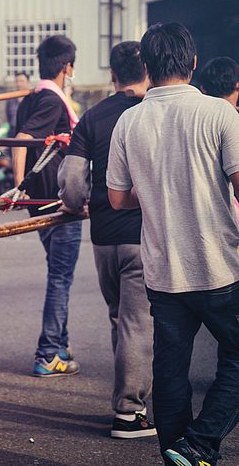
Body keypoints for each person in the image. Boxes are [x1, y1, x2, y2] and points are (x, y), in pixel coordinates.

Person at [107, 23, 239, 466]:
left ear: (146, 66)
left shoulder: (130, 120)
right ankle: (199, 445)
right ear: (193, 61)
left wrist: (158, 184)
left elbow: (117, 198)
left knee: (170, 370)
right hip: (219, 264)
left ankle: (178, 455)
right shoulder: (219, 113)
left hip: (163, 270)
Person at [58, 41, 156, 439]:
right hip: (140, 234)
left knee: (121, 319)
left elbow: (72, 179)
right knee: (138, 324)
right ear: (147, 70)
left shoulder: (94, 117)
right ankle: (129, 413)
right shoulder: (151, 113)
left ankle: (130, 399)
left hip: (103, 239)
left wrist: (78, 203)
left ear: (113, 74)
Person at [12, 34, 83, 377]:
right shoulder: (51, 100)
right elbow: (22, 140)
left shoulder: (33, 96)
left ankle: (61, 345)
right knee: (60, 277)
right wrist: (18, 185)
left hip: (42, 200)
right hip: (56, 199)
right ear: (67, 67)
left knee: (58, 272)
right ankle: (48, 352)